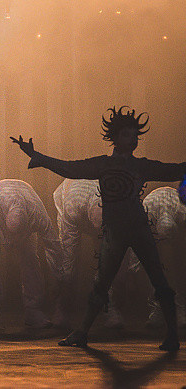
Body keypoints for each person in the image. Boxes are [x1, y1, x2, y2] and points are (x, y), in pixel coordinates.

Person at [12, 106, 186, 351]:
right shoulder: (104, 165)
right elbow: (70, 168)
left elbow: (176, 169)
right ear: (115, 138)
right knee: (102, 284)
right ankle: (82, 332)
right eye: (128, 135)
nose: (133, 140)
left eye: (136, 135)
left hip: (137, 228)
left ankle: (171, 336)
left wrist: (39, 157)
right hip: (115, 232)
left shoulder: (140, 166)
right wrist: (38, 156)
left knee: (158, 279)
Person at [0, 179, 63, 330]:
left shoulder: (37, 213)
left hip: (24, 196)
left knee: (30, 258)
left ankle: (33, 311)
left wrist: (59, 277)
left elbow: (53, 244)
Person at [53, 179, 126, 329]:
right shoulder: (72, 207)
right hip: (67, 200)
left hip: (97, 214)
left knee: (106, 262)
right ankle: (62, 310)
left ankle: (109, 309)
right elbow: (68, 251)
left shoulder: (114, 204)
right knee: (68, 263)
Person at [140, 187, 186, 328]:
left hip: (178, 233)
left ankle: (180, 308)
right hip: (153, 233)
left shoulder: (182, 209)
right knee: (155, 269)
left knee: (177, 267)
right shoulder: (147, 209)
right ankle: (158, 308)